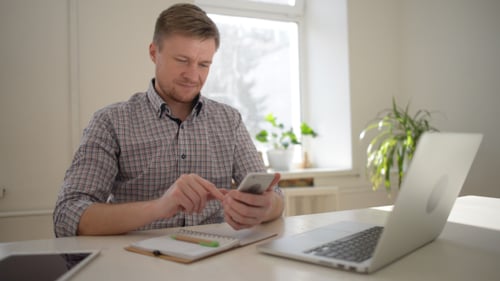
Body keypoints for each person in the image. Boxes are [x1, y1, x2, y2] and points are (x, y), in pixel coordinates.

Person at [53, 3, 284, 237]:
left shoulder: (229, 120)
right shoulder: (111, 122)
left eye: (204, 64)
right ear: (154, 53)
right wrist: (159, 207)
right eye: (182, 60)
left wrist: (264, 208)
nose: (193, 75)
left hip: (215, 259)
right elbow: (68, 215)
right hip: (138, 263)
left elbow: (275, 199)